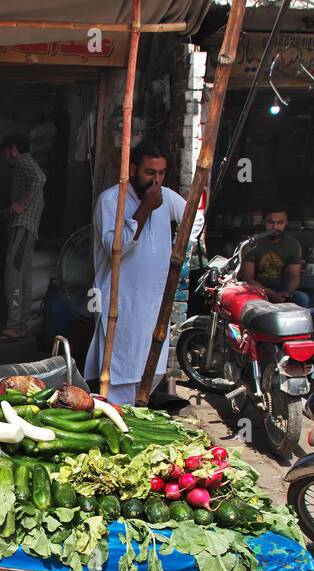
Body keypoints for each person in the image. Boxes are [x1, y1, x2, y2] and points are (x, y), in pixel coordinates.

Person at [84, 141, 187, 405]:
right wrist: (144, 210)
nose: (156, 180)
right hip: (121, 304)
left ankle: (138, 415)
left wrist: (184, 244)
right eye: (149, 173)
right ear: (132, 169)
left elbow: (193, 215)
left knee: (153, 368)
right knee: (120, 370)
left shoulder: (167, 197)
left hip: (154, 303)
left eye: (161, 173)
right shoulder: (111, 200)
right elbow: (115, 248)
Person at [0, 133, 46, 342]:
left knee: (12, 276)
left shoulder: (24, 161)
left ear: (13, 149)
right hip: (26, 226)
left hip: (23, 226)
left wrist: (21, 205)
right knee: (23, 277)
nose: (7, 157)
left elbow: (41, 178)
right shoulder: (25, 164)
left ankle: (14, 325)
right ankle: (21, 325)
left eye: (6, 152)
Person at [240, 208, 309, 307]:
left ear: (286, 223)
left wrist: (288, 293)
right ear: (263, 222)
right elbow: (248, 278)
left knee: (302, 298)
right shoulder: (252, 243)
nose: (275, 227)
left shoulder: (293, 245)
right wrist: (270, 294)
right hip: (256, 290)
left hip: (280, 290)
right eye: (270, 222)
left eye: (280, 222)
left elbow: (294, 276)